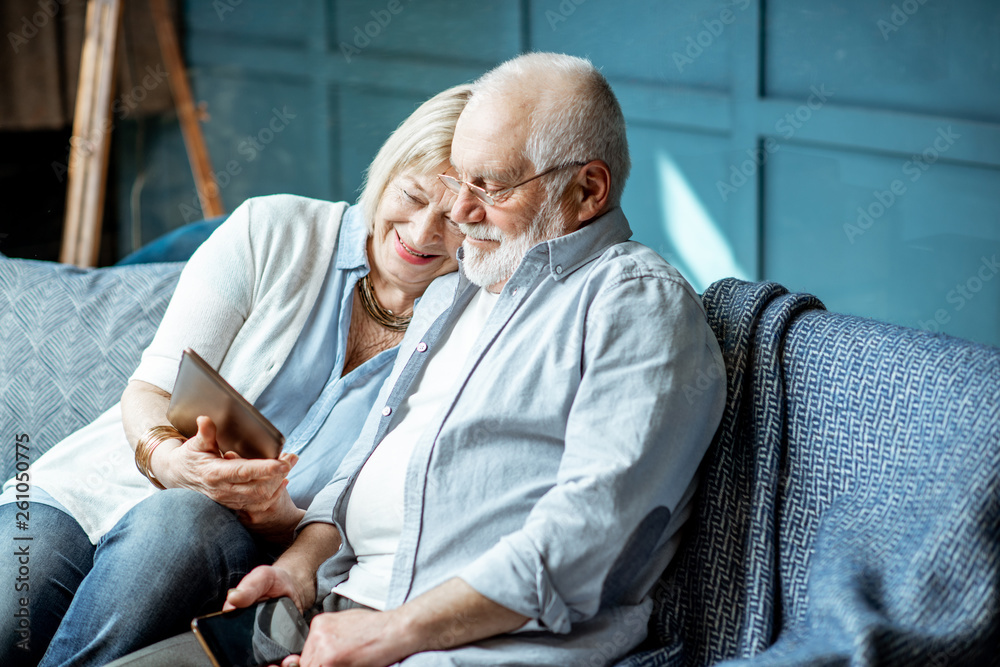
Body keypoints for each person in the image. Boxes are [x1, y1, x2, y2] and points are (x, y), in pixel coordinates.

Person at [215, 52, 729, 667]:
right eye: (461, 179)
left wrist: (393, 634)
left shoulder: (635, 304)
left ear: (587, 189)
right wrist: (299, 572)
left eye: (490, 185)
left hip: (464, 651)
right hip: (335, 620)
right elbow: (360, 469)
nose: (459, 212)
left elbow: (589, 538)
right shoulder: (455, 289)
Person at [0, 83, 471, 667]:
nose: (423, 232)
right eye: (413, 195)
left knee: (180, 517)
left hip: (231, 542)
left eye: (453, 218)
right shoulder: (272, 228)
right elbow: (152, 386)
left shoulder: (468, 329)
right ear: (388, 170)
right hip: (99, 484)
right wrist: (168, 458)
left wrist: (282, 523)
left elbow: (376, 515)